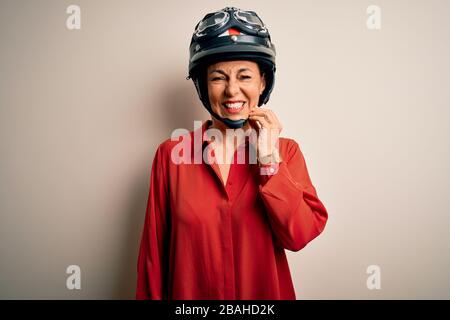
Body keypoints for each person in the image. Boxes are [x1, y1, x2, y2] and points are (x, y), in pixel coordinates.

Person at [136, 7, 328, 300]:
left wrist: (268, 161)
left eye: (245, 76)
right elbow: (153, 261)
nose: (232, 91)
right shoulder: (171, 156)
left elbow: (299, 235)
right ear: (202, 84)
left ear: (262, 82)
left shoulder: (286, 152)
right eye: (218, 78)